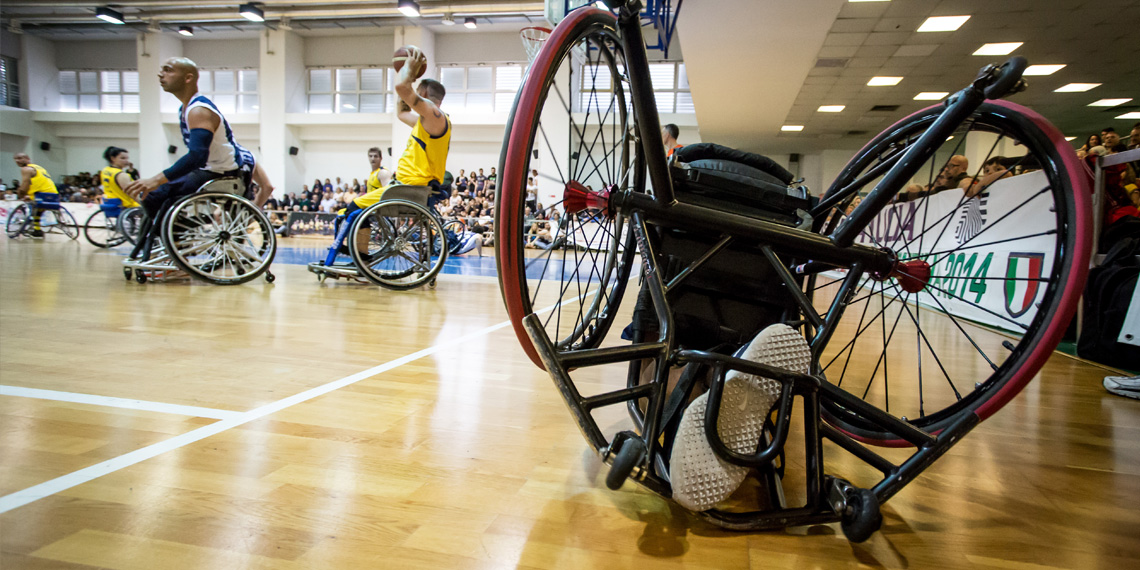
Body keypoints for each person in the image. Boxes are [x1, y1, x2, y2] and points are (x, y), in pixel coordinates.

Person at [124, 57, 267, 259]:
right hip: (212, 170)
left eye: (168, 70)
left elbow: (197, 157)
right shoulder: (186, 109)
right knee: (155, 198)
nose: (160, 74)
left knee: (155, 194)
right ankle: (172, 239)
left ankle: (176, 240)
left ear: (188, 77)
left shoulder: (199, 110)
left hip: (219, 172)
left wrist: (156, 179)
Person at [343, 46, 450, 254]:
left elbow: (402, 87)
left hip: (410, 188)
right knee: (352, 210)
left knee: (353, 209)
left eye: (417, 94)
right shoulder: (427, 121)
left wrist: (408, 70)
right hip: (407, 186)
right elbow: (402, 113)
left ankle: (362, 259)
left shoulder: (436, 117)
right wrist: (407, 77)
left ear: (424, 94)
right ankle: (360, 255)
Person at [12, 152, 59, 238]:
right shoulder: (38, 167)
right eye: (15, 159)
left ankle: (36, 229)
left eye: (20, 158)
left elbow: (24, 185)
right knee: (38, 208)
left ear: (28, 159)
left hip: (41, 195)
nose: (17, 160)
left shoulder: (26, 169)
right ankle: (37, 228)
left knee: (32, 206)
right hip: (53, 193)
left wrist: (20, 194)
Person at [898, 155, 971, 201]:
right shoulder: (949, 183)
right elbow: (927, 194)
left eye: (952, 166)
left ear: (964, 167)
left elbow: (967, 184)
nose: (947, 169)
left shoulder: (964, 180)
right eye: (947, 166)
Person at [99, 147, 139, 216]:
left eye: (127, 158)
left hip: (109, 202)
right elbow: (133, 194)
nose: (126, 161)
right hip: (125, 206)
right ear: (113, 158)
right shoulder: (122, 175)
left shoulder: (105, 171)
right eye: (122, 158)